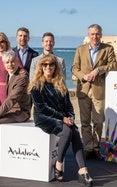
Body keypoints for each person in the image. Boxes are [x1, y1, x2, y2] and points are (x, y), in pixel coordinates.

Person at [28, 54, 93, 186]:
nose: (48, 67)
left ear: (55, 67)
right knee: (67, 131)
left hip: (62, 117)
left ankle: (82, 169)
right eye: (45, 64)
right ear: (41, 67)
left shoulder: (60, 83)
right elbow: (42, 108)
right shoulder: (36, 84)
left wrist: (70, 117)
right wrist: (62, 118)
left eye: (51, 64)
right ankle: (59, 163)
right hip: (44, 117)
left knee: (75, 132)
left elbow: (69, 105)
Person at [71, 24, 117, 160]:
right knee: (85, 122)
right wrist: (83, 76)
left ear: (101, 35)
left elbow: (114, 65)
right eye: (92, 34)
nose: (95, 36)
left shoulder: (108, 49)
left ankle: (96, 148)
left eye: (97, 34)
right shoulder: (80, 49)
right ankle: (88, 148)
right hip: (84, 89)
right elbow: (74, 68)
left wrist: (98, 70)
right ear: (88, 35)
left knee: (98, 121)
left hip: (99, 89)